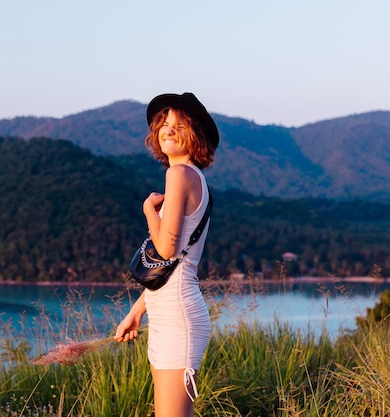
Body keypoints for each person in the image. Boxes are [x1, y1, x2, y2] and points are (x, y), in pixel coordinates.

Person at [114, 92, 218, 417]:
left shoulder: (180, 175)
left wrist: (148, 210)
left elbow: (166, 249)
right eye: (164, 124)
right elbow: (172, 265)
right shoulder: (187, 177)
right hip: (167, 315)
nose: (168, 130)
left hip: (178, 320)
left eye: (179, 125)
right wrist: (137, 311)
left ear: (195, 136)